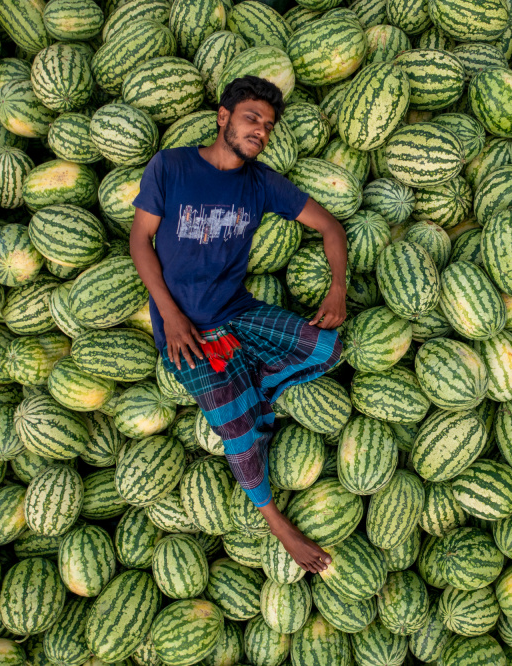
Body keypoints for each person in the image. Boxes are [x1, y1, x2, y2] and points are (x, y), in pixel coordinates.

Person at [129, 75, 348, 573]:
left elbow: (330, 227)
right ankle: (278, 523)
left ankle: (251, 389)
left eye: (268, 126)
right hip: (187, 331)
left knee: (325, 348)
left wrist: (337, 286)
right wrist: (170, 314)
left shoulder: (261, 182)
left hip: (238, 313)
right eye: (252, 119)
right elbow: (140, 241)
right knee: (239, 431)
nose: (261, 132)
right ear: (223, 117)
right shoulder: (172, 166)